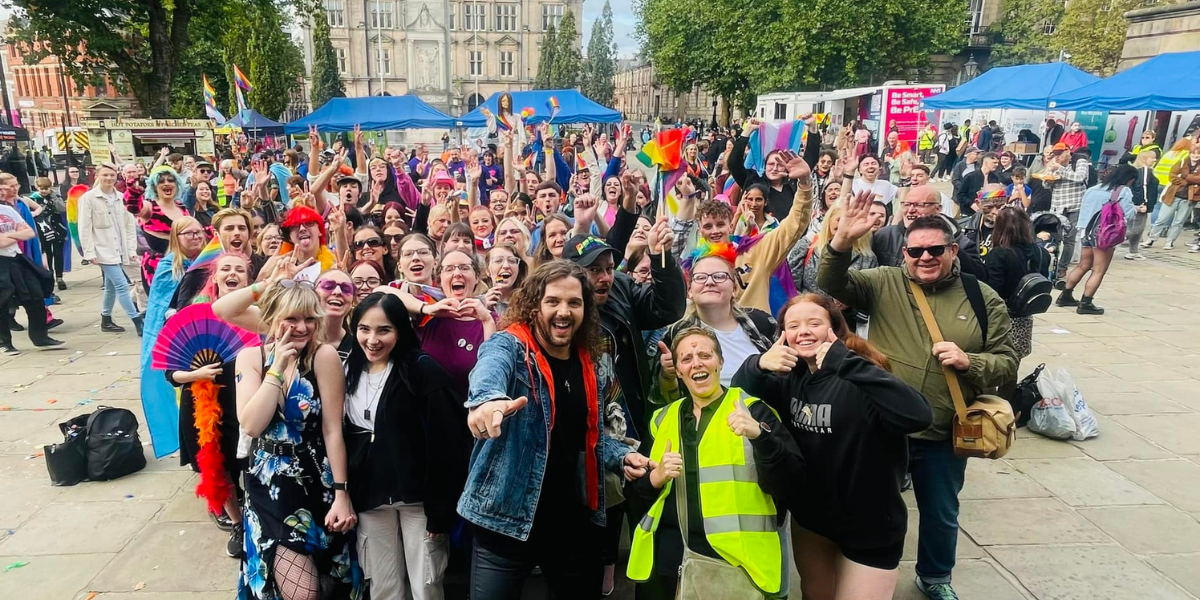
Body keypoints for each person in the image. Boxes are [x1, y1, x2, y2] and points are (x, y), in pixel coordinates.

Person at [818, 200, 1017, 600]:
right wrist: (840, 242)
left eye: (935, 250)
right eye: (915, 251)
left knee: (941, 512)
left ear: (953, 250)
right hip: (882, 425)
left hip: (942, 429)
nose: (925, 257)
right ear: (904, 253)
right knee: (866, 504)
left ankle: (935, 576)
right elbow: (831, 282)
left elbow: (1008, 362)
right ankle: (857, 570)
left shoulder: (982, 297)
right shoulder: (884, 282)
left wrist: (970, 361)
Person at [459, 261, 651, 600]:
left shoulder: (593, 362)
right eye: (553, 301)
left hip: (572, 522)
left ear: (585, 309)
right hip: (505, 519)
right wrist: (487, 402)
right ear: (535, 306)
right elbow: (488, 371)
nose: (563, 311)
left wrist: (622, 456)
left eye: (574, 303)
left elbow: (588, 437)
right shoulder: (509, 346)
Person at [733, 294, 932, 600]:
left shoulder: (862, 372)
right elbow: (739, 390)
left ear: (835, 330)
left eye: (815, 323)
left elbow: (919, 415)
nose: (804, 331)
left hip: (870, 524)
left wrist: (845, 362)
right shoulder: (791, 377)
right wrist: (758, 363)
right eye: (794, 325)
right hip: (812, 521)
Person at [627, 327, 802, 600]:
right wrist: (655, 477)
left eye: (705, 355)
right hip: (668, 561)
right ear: (680, 371)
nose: (696, 363)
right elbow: (636, 495)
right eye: (686, 359)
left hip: (737, 565)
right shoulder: (661, 419)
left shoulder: (753, 410)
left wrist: (760, 436)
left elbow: (792, 482)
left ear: (720, 362)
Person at [233, 279, 363, 600]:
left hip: (317, 480)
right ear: (272, 318)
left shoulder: (324, 357)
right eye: (291, 318)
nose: (301, 327)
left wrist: (341, 494)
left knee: (330, 586)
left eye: (308, 319)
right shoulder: (250, 358)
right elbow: (251, 424)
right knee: (301, 594)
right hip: (269, 488)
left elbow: (333, 430)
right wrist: (276, 369)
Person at [342, 292, 470, 600]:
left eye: (384, 330)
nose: (373, 339)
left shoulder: (423, 370)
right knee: (383, 587)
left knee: (426, 586)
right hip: (369, 497)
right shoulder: (347, 370)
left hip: (419, 501)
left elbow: (448, 443)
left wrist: (441, 512)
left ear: (400, 330)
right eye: (364, 329)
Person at [166, 252, 252, 557]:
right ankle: (239, 523)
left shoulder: (256, 313)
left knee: (253, 464)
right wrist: (195, 374)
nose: (232, 273)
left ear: (247, 278)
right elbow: (170, 373)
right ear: (214, 277)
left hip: (247, 398)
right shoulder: (194, 313)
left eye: (239, 270)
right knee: (219, 467)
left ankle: (259, 517)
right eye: (225, 269)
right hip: (204, 402)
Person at [563, 229, 686, 434]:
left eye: (609, 268)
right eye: (594, 270)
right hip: (584, 428)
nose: (605, 278)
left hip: (632, 418)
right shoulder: (557, 312)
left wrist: (660, 258)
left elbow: (667, 309)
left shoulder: (621, 286)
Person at [653, 249, 777, 405]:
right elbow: (666, 399)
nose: (709, 282)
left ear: (734, 289)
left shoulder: (761, 323)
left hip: (766, 418)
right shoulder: (677, 335)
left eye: (719, 276)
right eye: (700, 278)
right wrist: (668, 375)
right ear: (690, 291)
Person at [1055, 165, 1138, 315]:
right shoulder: (1123, 191)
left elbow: (1085, 210)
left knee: (1083, 265)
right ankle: (1086, 302)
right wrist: (1138, 208)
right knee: (1099, 270)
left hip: (1085, 231)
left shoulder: (1093, 189)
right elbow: (1129, 214)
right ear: (1129, 179)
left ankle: (1065, 295)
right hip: (1104, 234)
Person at [76, 165, 143, 334]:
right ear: (97, 176)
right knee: (121, 285)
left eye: (112, 175)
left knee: (111, 286)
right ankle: (137, 321)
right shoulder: (88, 198)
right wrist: (89, 252)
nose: (109, 178)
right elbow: (84, 227)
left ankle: (106, 319)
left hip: (120, 249)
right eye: (105, 175)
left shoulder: (122, 198)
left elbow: (129, 226)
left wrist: (131, 249)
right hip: (102, 249)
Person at [872, 185, 987, 279]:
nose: (911, 210)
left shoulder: (960, 240)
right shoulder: (885, 236)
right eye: (906, 204)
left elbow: (979, 276)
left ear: (938, 209)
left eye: (919, 205)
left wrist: (946, 248)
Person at [0, 185, 63, 355]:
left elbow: (29, 232)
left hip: (17, 258)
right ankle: (5, 342)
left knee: (35, 295)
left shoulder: (7, 209)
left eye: (2, 190)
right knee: (3, 302)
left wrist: (9, 236)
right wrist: (14, 235)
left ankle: (40, 337)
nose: (3, 192)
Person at [984, 206, 1050, 369]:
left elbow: (993, 289)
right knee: (1014, 364)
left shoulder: (998, 254)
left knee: (994, 366)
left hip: (1001, 318)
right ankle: (1009, 394)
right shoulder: (1042, 253)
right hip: (1025, 315)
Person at [29, 177, 68, 290]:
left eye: (46, 188)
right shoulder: (33, 199)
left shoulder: (55, 196)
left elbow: (62, 209)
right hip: (42, 230)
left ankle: (59, 277)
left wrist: (54, 198)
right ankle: (49, 275)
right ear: (37, 187)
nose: (44, 191)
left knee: (58, 254)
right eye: (41, 188)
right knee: (47, 255)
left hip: (57, 229)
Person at [1125, 151, 1160, 260]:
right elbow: (1142, 187)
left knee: (1137, 229)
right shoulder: (1144, 171)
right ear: (1145, 159)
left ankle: (1133, 251)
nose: (1155, 160)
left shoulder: (1137, 170)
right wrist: (1144, 203)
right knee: (1136, 229)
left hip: (1138, 203)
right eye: (1152, 158)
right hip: (1141, 204)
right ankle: (1113, 240)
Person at [955, 152, 1001, 218]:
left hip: (988, 214)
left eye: (997, 163)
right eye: (994, 162)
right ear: (986, 163)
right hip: (970, 213)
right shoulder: (970, 177)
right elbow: (960, 195)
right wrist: (971, 204)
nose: (996, 165)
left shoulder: (995, 178)